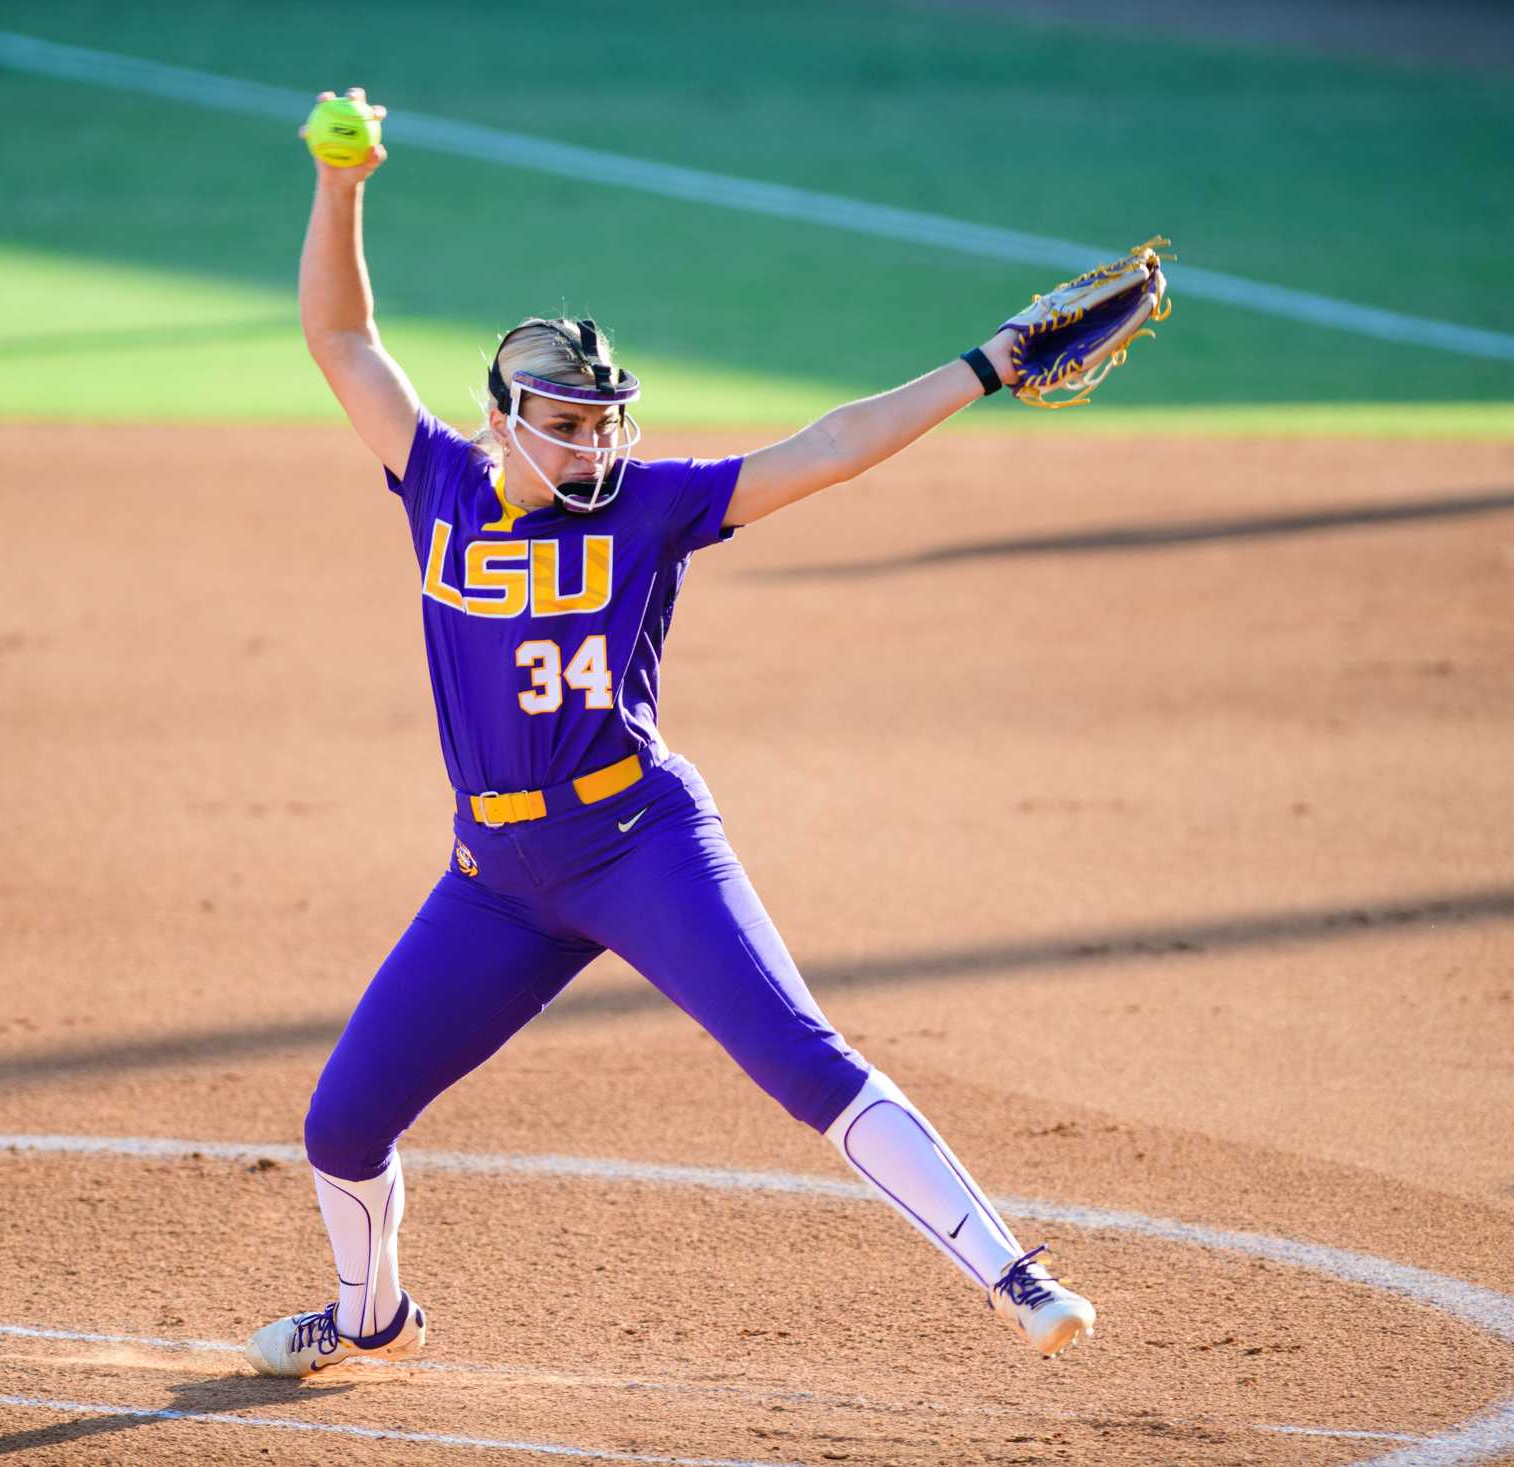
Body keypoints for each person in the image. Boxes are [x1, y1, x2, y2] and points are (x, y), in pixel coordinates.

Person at [247, 88, 1113, 1379]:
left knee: (796, 1057)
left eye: (604, 423)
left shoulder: (648, 509)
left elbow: (827, 448)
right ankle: (368, 1313)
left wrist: (982, 366)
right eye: (567, 423)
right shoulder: (436, 480)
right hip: (494, 882)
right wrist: (342, 183)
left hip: (638, 841)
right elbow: (339, 334)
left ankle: (1016, 1273)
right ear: (501, 421)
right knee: (340, 1120)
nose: (594, 444)